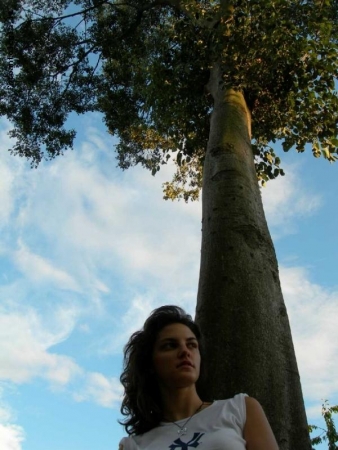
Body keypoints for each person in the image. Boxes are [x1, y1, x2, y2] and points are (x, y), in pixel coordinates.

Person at [118, 305, 279, 450]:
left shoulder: (239, 409)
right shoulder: (135, 445)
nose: (185, 351)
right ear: (149, 364)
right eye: (170, 345)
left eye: (192, 345)